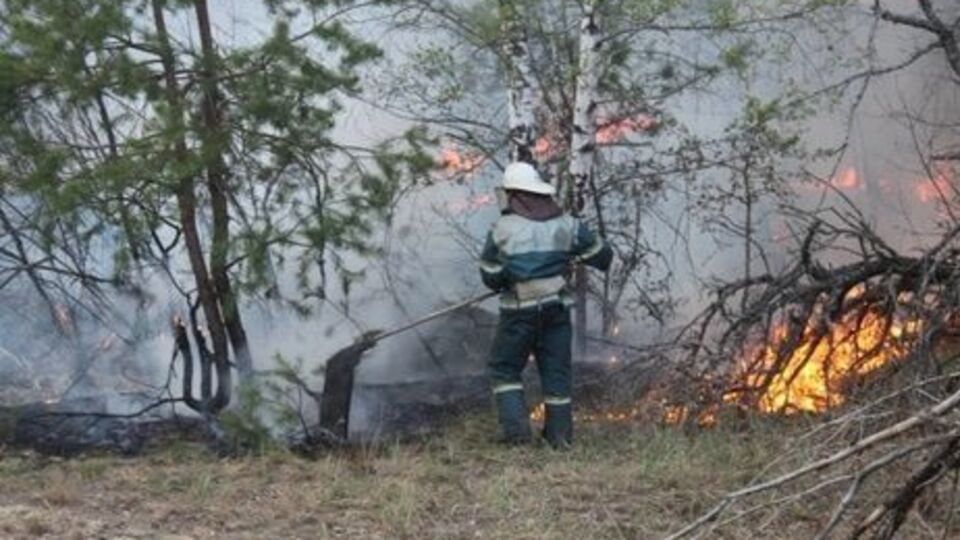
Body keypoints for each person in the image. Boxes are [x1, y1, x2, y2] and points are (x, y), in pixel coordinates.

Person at [479, 162, 613, 448]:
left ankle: (517, 437)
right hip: (556, 310)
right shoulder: (567, 224)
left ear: (513, 195)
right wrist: (573, 257)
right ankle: (559, 439)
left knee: (504, 369)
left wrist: (507, 276)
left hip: (519, 313)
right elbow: (603, 256)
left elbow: (489, 276)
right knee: (556, 373)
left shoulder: (502, 228)